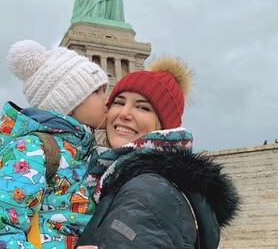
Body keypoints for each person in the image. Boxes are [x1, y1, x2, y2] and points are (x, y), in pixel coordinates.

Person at [77, 57, 240, 249]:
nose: (124, 113)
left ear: (164, 125)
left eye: (142, 107)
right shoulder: (123, 179)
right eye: (119, 102)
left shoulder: (147, 189)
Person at [0, 40, 109, 249]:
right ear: (68, 100)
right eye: (97, 92)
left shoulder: (84, 151)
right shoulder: (31, 150)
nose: (107, 100)